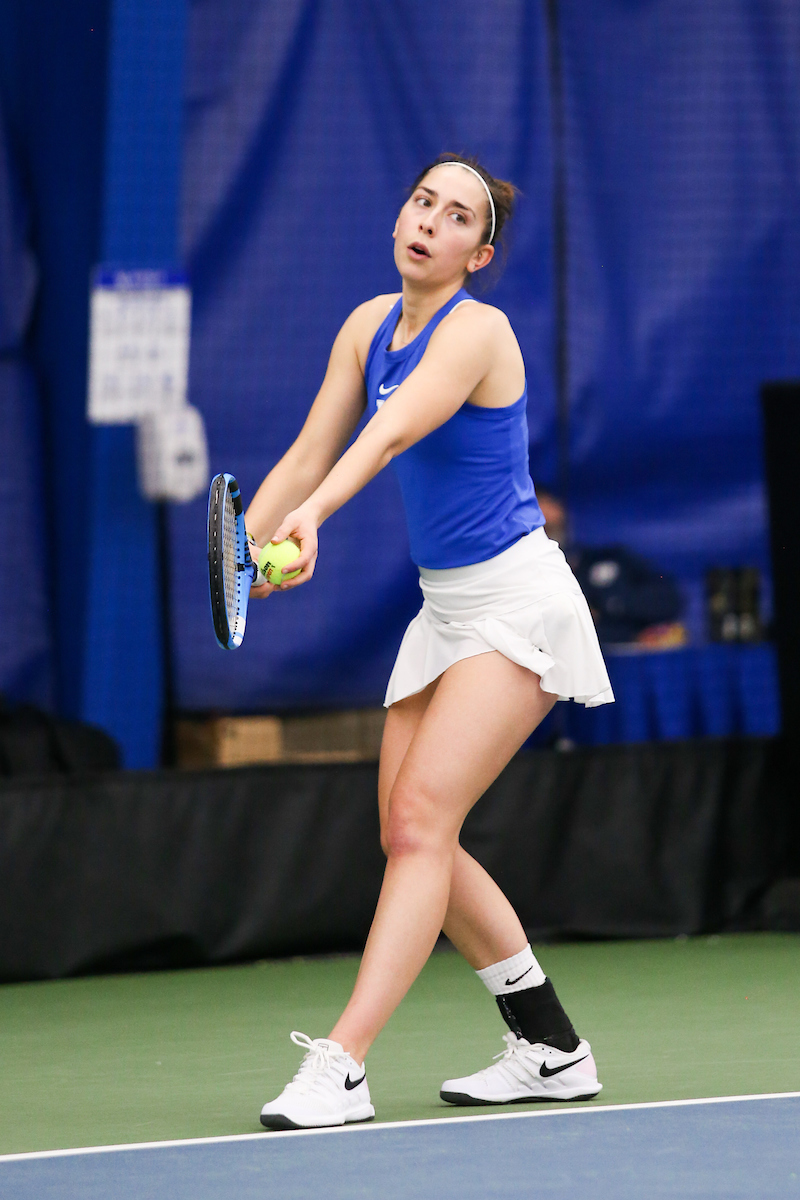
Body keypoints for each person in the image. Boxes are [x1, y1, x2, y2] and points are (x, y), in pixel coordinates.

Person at [244, 155, 614, 1131]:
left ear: (475, 253)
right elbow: (315, 443)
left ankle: (344, 1063)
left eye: (454, 217)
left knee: (417, 826)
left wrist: (314, 517)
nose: (427, 223)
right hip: (442, 609)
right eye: (420, 202)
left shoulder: (479, 332)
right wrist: (257, 530)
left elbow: (389, 435)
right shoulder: (365, 326)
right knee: (414, 839)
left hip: (516, 604)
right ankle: (547, 1045)